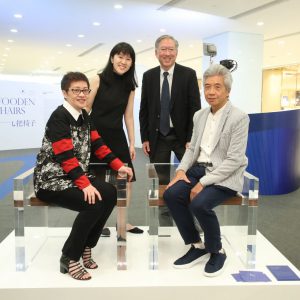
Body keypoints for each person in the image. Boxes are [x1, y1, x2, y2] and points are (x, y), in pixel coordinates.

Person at [33, 71, 133, 280]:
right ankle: (69, 257)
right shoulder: (59, 117)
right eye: (75, 90)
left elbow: (98, 145)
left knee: (110, 194)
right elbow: (66, 156)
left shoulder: (85, 116)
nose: (81, 94)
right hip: (52, 180)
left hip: (74, 176)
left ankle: (87, 245)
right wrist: (85, 185)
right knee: (94, 202)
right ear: (65, 93)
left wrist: (118, 166)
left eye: (84, 90)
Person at [163, 64, 249, 277]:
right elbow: (192, 149)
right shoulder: (199, 115)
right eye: (207, 86)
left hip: (224, 174)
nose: (211, 92)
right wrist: (181, 171)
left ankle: (216, 250)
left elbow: (234, 159)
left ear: (227, 90)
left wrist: (204, 182)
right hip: (197, 169)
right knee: (172, 194)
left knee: (200, 204)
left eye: (217, 87)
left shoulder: (239, 117)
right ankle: (196, 245)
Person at [139, 34, 201, 225]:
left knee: (190, 175)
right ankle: (165, 218)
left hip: (183, 138)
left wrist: (193, 137)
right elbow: (144, 109)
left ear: (176, 52)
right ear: (156, 52)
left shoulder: (188, 74)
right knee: (161, 179)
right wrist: (145, 138)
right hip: (158, 137)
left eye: (171, 49)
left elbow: (195, 109)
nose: (167, 53)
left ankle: (190, 216)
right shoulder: (149, 76)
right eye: (163, 49)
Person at [87, 42, 143, 235]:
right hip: (95, 137)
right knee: (98, 180)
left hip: (117, 137)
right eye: (120, 57)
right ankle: (97, 223)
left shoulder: (130, 86)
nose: (124, 61)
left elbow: (128, 116)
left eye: (128, 59)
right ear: (112, 58)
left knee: (126, 179)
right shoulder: (97, 80)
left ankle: (122, 222)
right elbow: (86, 110)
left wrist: (132, 142)